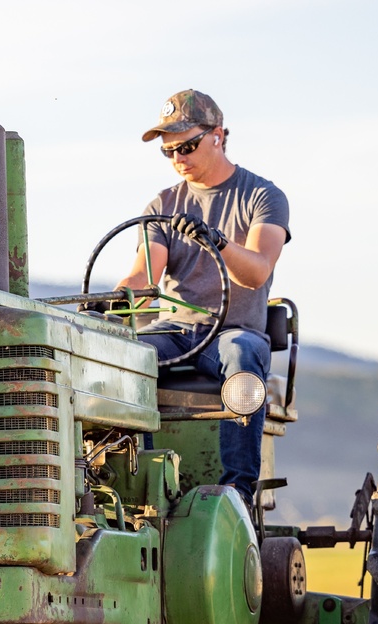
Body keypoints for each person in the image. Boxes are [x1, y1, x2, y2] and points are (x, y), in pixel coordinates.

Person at [117, 88, 290, 508]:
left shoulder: (262, 197)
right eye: (169, 151)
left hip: (232, 332)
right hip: (176, 332)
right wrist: (116, 298)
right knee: (125, 355)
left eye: (187, 146)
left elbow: (257, 272)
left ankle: (237, 494)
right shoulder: (164, 204)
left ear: (218, 135)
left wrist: (217, 242)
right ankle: (137, 484)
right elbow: (145, 275)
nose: (179, 158)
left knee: (244, 354)